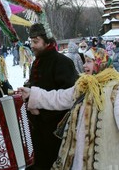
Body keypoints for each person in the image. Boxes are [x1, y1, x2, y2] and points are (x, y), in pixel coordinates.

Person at [19, 47, 119, 169]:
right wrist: (32, 94)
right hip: (76, 161)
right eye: (85, 61)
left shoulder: (117, 89)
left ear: (100, 62)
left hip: (102, 162)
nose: (84, 65)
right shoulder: (83, 85)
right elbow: (58, 98)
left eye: (89, 61)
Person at [24, 23, 78, 170]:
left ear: (47, 42)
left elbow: (69, 99)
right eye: (31, 42)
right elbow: (37, 84)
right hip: (36, 129)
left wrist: (41, 111)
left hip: (54, 132)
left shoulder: (63, 62)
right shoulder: (37, 61)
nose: (32, 46)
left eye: (36, 42)